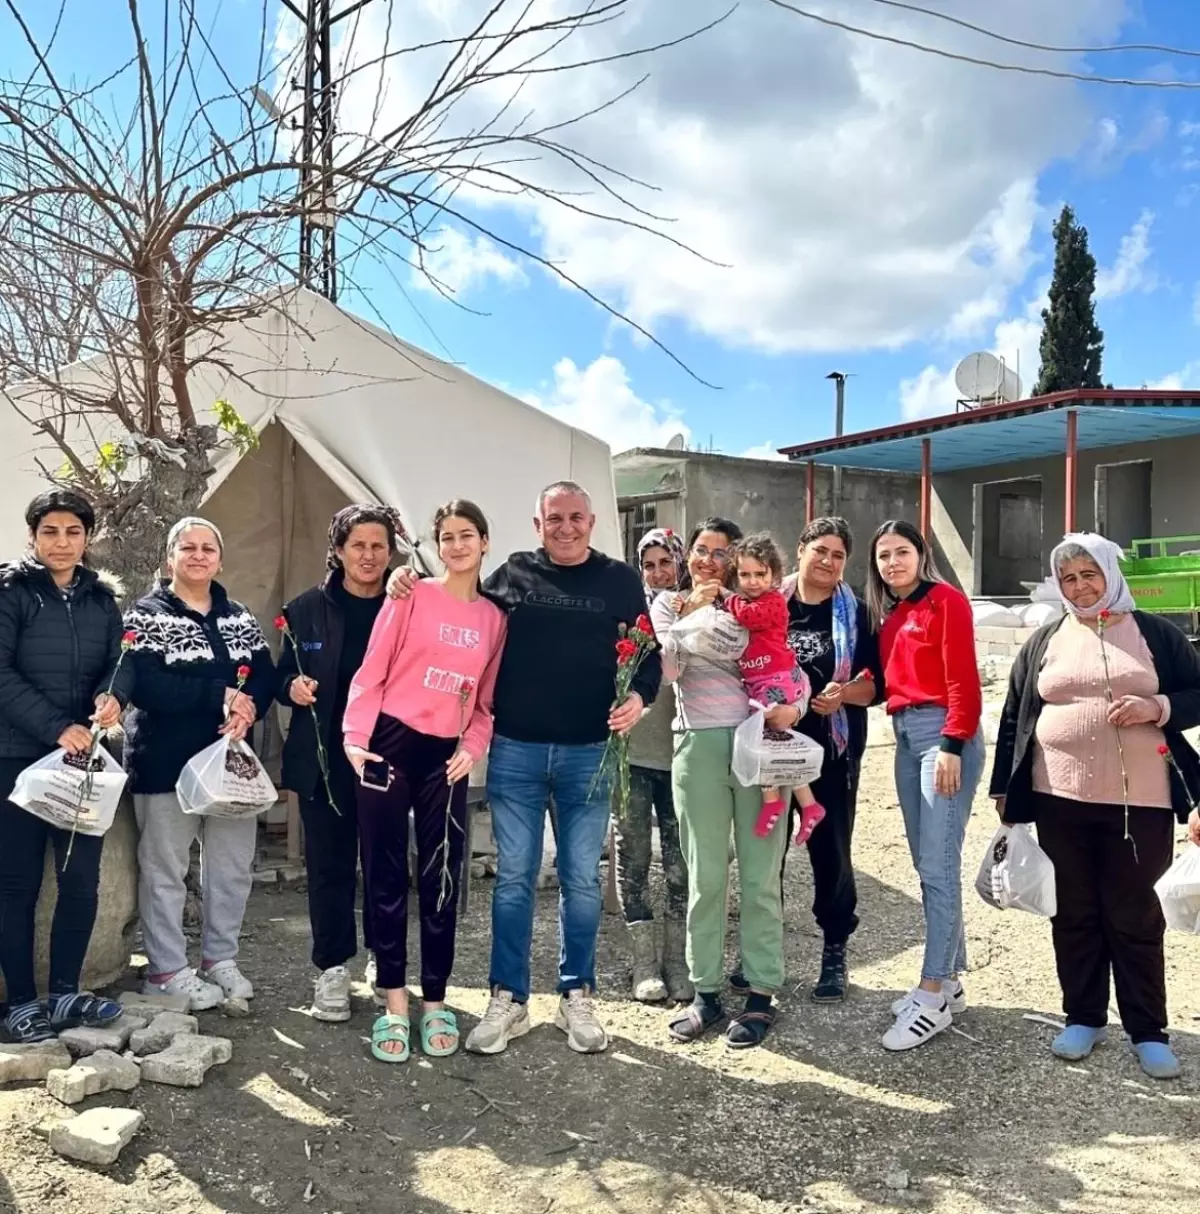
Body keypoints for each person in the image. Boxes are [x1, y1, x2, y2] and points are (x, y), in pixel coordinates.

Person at [387, 481, 660, 1055]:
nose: (565, 527)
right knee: (514, 880)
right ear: (537, 525)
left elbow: (647, 655)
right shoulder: (513, 574)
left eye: (576, 517)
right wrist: (402, 583)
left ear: (591, 522)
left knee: (582, 880)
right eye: (553, 518)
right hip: (516, 750)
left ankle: (575, 995)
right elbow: (462, 609)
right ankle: (508, 998)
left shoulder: (619, 581)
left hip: (591, 752)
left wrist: (641, 698)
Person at [989, 533, 1200, 1081]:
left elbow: (1198, 692)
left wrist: (1158, 705)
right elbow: (1016, 714)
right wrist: (1005, 794)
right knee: (1074, 912)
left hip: (1142, 803)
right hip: (1059, 800)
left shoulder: (1156, 634)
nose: (1080, 587)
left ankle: (1148, 1030)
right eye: (1069, 579)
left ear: (1110, 573)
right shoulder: (1046, 638)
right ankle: (1084, 1017)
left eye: (1089, 574)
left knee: (1134, 915)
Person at [343, 500, 507, 1062]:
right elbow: (373, 670)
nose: (457, 545)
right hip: (388, 744)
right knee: (385, 873)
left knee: (441, 880)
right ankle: (393, 1000)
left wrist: (472, 748)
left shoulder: (494, 619)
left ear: (485, 542)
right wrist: (355, 739)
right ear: (437, 546)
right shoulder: (411, 594)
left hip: (446, 759)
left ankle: (435, 999)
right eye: (447, 537)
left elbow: (485, 704)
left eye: (467, 535)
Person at [652, 518, 798, 1050]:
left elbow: (788, 669)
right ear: (687, 555)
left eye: (720, 553)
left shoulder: (754, 607)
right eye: (700, 551)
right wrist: (687, 616)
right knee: (706, 878)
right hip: (698, 745)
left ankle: (761, 993)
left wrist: (795, 705)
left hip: (757, 745)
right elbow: (666, 672)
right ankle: (705, 992)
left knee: (760, 877)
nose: (708, 561)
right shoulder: (670, 605)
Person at [123, 518, 276, 1012]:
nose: (198, 555)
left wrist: (248, 706)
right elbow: (144, 684)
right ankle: (165, 970)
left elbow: (265, 676)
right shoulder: (145, 616)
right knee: (164, 867)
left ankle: (219, 959)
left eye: (208, 547)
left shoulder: (239, 615)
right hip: (166, 761)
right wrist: (221, 695)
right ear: (169, 558)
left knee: (231, 867)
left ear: (220, 558)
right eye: (187, 547)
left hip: (231, 765)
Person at [0, 490, 131, 1042]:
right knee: (17, 885)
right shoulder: (11, 593)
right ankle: (22, 1003)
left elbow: (120, 663)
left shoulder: (102, 599)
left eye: (72, 531)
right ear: (33, 537)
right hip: (18, 756)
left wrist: (111, 697)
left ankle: (64, 993)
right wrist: (56, 724)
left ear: (87, 538)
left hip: (83, 763)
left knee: (79, 882)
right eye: (49, 531)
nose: (61, 542)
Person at [277, 505, 401, 1022]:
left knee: (384, 867)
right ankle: (331, 968)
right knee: (328, 868)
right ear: (339, 550)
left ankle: (382, 961)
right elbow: (282, 675)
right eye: (358, 546)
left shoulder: (408, 605)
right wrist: (293, 686)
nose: (368, 556)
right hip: (324, 759)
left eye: (378, 546)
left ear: (390, 551)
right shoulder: (305, 608)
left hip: (388, 757)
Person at [868, 519, 983, 1052]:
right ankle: (952, 979)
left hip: (942, 735)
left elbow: (962, 677)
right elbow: (884, 683)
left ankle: (932, 992)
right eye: (884, 556)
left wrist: (954, 745)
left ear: (921, 553)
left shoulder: (946, 602)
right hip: (904, 735)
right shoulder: (891, 614)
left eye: (902, 552)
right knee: (926, 859)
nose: (893, 563)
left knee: (938, 865)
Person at [780, 517, 878, 1002]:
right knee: (764, 853)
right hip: (769, 751)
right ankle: (760, 954)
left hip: (830, 752)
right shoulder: (766, 605)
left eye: (838, 555)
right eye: (820, 550)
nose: (828, 561)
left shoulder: (856, 612)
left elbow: (875, 685)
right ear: (800, 550)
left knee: (831, 851)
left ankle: (835, 948)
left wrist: (844, 695)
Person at [620, 527, 690, 1004]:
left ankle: (679, 960)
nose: (658, 572)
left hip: (681, 756)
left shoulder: (696, 611)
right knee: (635, 859)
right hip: (632, 754)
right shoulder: (630, 615)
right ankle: (644, 963)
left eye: (666, 562)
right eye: (649, 565)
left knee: (681, 863)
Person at [725, 532, 821, 844]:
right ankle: (807, 804)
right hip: (763, 682)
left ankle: (775, 802)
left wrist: (727, 598)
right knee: (770, 745)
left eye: (759, 574)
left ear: (774, 575)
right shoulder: (749, 600)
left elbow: (749, 618)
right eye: (744, 575)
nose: (752, 582)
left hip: (777, 681)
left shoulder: (772, 603)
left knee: (765, 744)